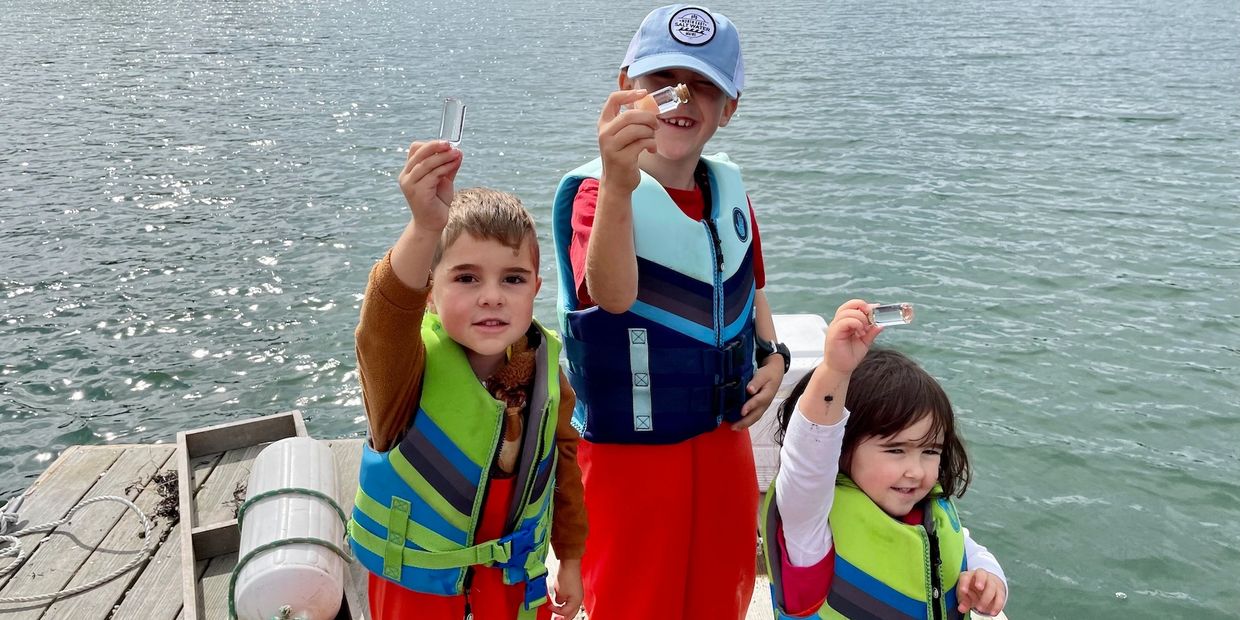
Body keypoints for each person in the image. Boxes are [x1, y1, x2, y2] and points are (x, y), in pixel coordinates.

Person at [550, 5, 788, 619]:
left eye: (704, 86)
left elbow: (753, 288)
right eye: (663, 81)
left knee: (724, 589)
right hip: (630, 456)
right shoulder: (597, 194)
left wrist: (776, 357)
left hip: (723, 442)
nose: (681, 98)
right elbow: (611, 294)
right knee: (634, 598)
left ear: (729, 107)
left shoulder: (729, 194)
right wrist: (617, 178)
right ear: (627, 86)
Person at [350, 140, 586, 620]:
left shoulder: (547, 374)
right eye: (466, 278)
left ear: (536, 289)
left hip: (516, 589)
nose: (492, 297)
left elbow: (563, 468)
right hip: (420, 596)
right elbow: (382, 324)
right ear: (429, 291)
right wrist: (424, 228)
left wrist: (572, 559)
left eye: (513, 279)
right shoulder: (401, 376)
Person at [761, 299, 1009, 618]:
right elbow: (808, 463)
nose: (916, 471)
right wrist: (835, 370)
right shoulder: (810, 531)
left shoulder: (932, 516)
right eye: (896, 450)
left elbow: (973, 553)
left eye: (930, 451)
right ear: (842, 445)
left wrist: (988, 580)